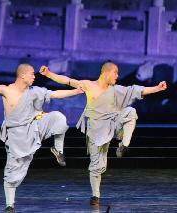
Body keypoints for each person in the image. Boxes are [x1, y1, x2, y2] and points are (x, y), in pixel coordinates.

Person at [0, 64, 81, 213]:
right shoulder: (6, 90)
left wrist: (76, 91)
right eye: (32, 74)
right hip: (16, 136)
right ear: (23, 76)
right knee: (13, 172)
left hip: (33, 128)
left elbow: (55, 94)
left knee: (59, 118)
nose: (34, 76)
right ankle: (10, 205)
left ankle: (58, 150)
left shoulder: (34, 92)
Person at [39, 62, 168, 208]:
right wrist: (49, 74)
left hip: (114, 124)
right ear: (107, 72)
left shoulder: (116, 90)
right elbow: (68, 81)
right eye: (115, 73)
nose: (117, 76)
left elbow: (137, 90)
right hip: (96, 131)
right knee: (97, 166)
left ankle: (123, 146)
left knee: (131, 112)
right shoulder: (88, 85)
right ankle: (95, 195)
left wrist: (157, 88)